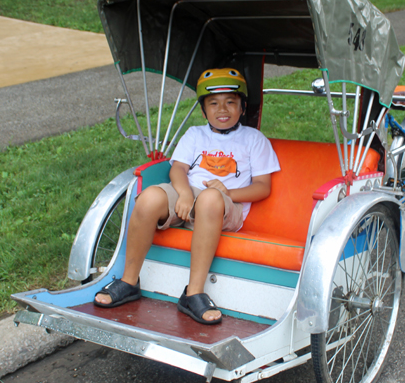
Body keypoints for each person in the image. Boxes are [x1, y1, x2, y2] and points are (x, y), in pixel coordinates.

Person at [94, 68, 280, 325]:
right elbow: (179, 168)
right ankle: (129, 281)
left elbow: (263, 186)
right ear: (204, 111)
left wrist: (227, 191)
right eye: (213, 104)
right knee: (148, 198)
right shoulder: (195, 134)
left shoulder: (254, 139)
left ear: (242, 107)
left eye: (230, 103)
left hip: (227, 204)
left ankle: (193, 293)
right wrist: (183, 194)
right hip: (190, 193)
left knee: (211, 198)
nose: (222, 109)